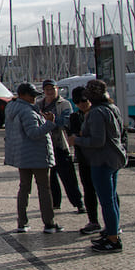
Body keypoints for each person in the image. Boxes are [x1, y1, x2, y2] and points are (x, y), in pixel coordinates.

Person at [69, 79, 128, 253]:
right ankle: (112, 231)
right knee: (111, 198)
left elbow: (97, 140)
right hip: (115, 158)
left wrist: (77, 139)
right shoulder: (112, 108)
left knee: (107, 201)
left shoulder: (96, 113)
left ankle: (113, 239)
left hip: (102, 160)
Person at [4, 83, 60, 234]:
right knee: (44, 189)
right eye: (32, 95)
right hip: (37, 156)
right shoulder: (27, 111)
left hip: (22, 156)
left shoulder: (12, 108)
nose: (35, 98)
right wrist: (49, 124)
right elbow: (34, 133)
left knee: (24, 188)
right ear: (23, 95)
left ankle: (22, 222)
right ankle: (49, 223)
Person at [36, 79, 83, 213]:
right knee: (51, 179)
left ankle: (78, 203)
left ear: (57, 89)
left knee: (68, 177)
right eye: (47, 90)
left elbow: (66, 121)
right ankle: (55, 203)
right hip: (45, 146)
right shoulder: (39, 104)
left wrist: (53, 120)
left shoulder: (64, 104)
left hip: (60, 144)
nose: (50, 92)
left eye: (52, 89)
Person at [68, 88, 101, 235]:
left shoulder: (98, 113)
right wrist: (81, 137)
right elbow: (72, 136)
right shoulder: (75, 117)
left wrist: (81, 137)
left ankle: (113, 225)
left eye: (83, 100)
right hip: (84, 159)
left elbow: (95, 136)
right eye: (76, 102)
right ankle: (93, 221)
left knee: (107, 193)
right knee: (88, 190)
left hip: (101, 159)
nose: (80, 104)